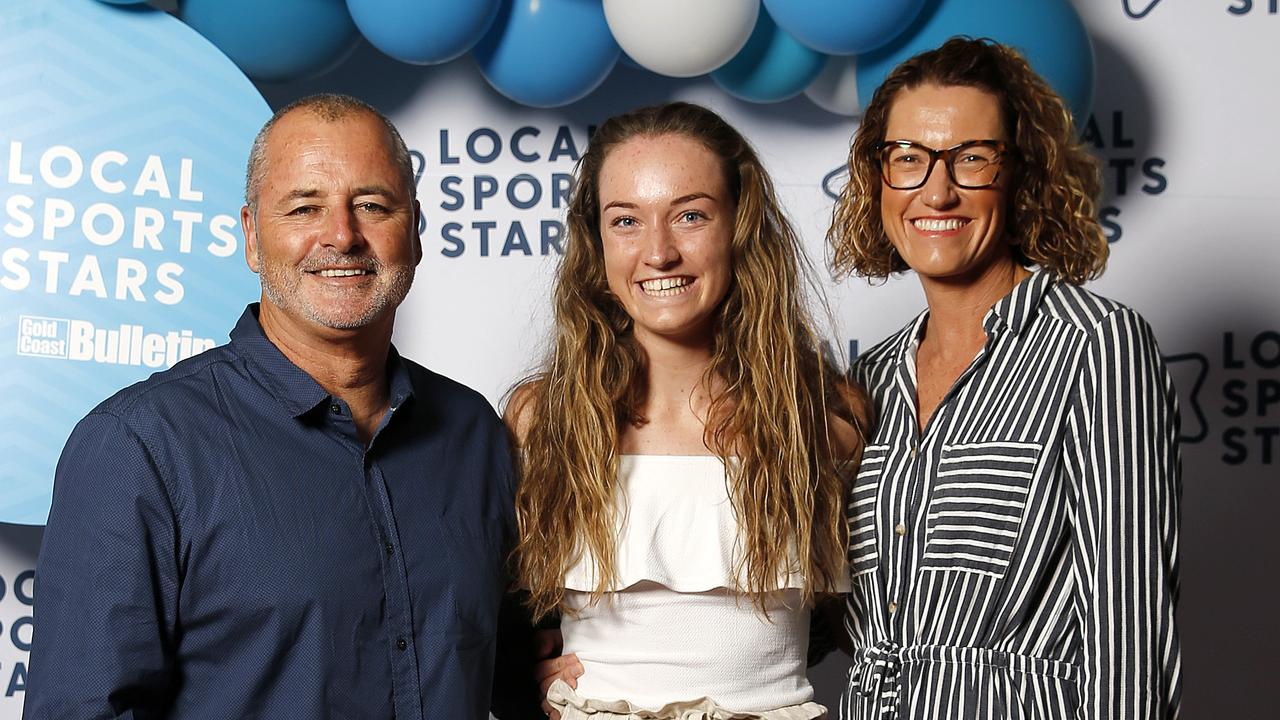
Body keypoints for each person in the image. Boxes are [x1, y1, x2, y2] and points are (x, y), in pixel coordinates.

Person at [25, 94, 536, 719]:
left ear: (415, 230)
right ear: (251, 236)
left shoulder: (475, 433)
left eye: (372, 206)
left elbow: (515, 672)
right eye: (304, 208)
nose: (342, 236)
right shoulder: (140, 448)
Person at [826, 38, 1182, 719]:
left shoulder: (1095, 347)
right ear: (879, 178)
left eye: (971, 158)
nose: (937, 189)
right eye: (908, 158)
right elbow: (832, 622)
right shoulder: (867, 379)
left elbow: (1132, 641)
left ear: (1021, 174)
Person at [505, 101, 868, 720]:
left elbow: (873, 629)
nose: (659, 252)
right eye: (625, 221)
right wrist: (508, 669)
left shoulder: (822, 417)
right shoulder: (543, 419)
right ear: (595, 243)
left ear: (740, 227)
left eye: (691, 216)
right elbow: (479, 610)